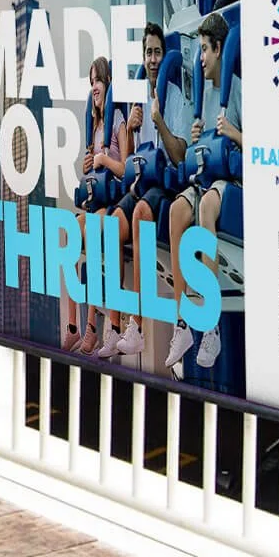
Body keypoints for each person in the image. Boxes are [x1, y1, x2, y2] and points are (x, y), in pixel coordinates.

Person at [98, 22, 190, 359]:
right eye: (148, 53)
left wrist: (158, 120)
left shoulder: (176, 97)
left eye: (157, 52)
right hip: (142, 183)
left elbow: (179, 155)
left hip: (166, 185)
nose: (153, 59)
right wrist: (133, 130)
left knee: (139, 213)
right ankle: (115, 325)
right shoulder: (137, 100)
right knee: (111, 226)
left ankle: (137, 325)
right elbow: (133, 161)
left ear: (164, 56)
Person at [165, 11, 243, 370]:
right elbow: (190, 157)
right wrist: (197, 138)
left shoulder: (238, 91)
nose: (200, 58)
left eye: (205, 51)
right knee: (177, 211)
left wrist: (233, 133)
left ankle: (211, 325)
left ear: (219, 49)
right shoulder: (199, 101)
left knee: (207, 206)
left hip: (230, 182)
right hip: (204, 178)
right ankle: (182, 322)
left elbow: (262, 151)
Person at [64, 56, 127, 354]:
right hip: (94, 198)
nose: (95, 87)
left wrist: (104, 160)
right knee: (70, 234)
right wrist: (89, 163)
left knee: (91, 231)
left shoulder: (118, 121)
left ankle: (92, 326)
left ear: (108, 82)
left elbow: (125, 168)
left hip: (111, 200)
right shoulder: (95, 125)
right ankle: (72, 326)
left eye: (98, 80)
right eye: (91, 83)